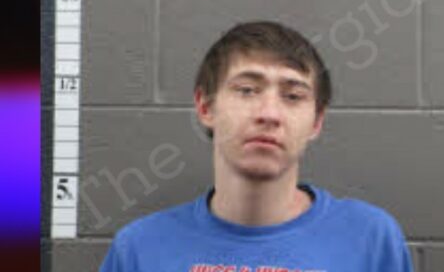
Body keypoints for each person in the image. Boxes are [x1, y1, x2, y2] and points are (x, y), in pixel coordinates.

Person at [99, 21, 414, 271]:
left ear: (316, 122)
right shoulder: (140, 249)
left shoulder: (369, 240)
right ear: (206, 107)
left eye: (293, 96)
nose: (269, 114)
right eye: (247, 90)